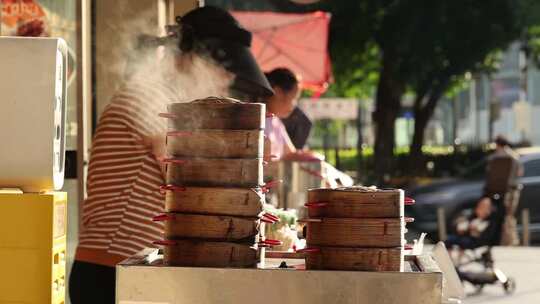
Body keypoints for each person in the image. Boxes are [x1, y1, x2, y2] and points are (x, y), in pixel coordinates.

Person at [69, 6, 273, 304]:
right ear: (189, 54)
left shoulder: (171, 100)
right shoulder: (150, 95)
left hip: (129, 269)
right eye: (222, 67)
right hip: (110, 270)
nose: (227, 79)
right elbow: (191, 178)